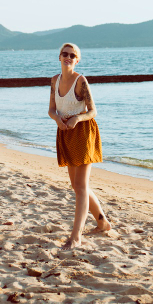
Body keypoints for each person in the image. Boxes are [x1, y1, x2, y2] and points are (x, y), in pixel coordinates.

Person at [48, 42, 111, 250]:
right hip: (65, 132)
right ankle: (102, 223)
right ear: (59, 57)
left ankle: (76, 237)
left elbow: (93, 111)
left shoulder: (80, 81)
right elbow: (51, 109)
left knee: (81, 186)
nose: (68, 57)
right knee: (77, 186)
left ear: (77, 60)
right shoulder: (54, 81)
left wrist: (77, 118)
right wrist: (57, 119)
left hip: (83, 132)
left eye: (72, 55)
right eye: (65, 54)